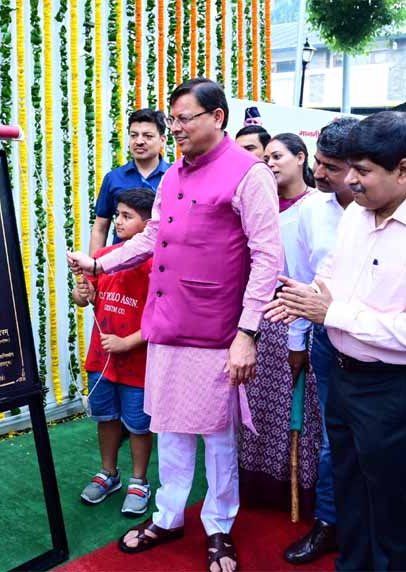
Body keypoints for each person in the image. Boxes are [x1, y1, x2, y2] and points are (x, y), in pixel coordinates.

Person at [67, 77, 282, 572]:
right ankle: (167, 516)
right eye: (173, 120)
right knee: (170, 429)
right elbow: (153, 237)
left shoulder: (249, 174)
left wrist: (247, 333)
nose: (176, 129)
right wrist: (100, 263)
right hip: (166, 324)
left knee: (218, 436)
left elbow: (268, 257)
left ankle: (219, 525)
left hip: (217, 331)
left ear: (217, 117)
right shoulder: (173, 175)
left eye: (184, 119)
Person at [264, 111, 406, 571]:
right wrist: (307, 297)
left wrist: (331, 313)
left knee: (390, 498)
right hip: (343, 371)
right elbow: (331, 270)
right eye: (348, 167)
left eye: (362, 170)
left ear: (404, 170)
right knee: (349, 484)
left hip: (398, 386)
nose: (349, 180)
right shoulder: (358, 210)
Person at [280, 116, 359, 566]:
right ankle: (329, 522)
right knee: (333, 437)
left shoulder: (396, 208)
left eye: (331, 166)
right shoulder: (312, 210)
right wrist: (298, 342)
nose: (319, 173)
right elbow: (300, 280)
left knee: (376, 444)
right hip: (327, 340)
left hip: (387, 347)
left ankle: (370, 526)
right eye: (319, 163)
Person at [238, 133, 321, 515]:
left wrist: (299, 330)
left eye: (277, 156)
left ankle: (300, 489)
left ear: (301, 157)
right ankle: (258, 485)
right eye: (266, 157)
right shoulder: (260, 205)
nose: (269, 163)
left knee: (299, 410)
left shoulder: (315, 207)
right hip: (261, 317)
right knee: (258, 404)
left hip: (300, 317)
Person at [73, 188, 156, 517]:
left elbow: (160, 319)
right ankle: (109, 473)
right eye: (117, 214)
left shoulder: (155, 265)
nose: (118, 221)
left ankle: (139, 480)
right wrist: (84, 292)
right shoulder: (104, 257)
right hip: (102, 360)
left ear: (148, 225)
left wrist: (126, 343)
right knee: (106, 418)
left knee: (138, 424)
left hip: (138, 363)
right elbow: (84, 300)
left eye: (127, 216)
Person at [89, 108, 170, 254]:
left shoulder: (175, 176)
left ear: (162, 140)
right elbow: (100, 227)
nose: (139, 141)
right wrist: (93, 265)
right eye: (134, 135)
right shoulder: (113, 178)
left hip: (162, 261)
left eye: (148, 136)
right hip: (119, 262)